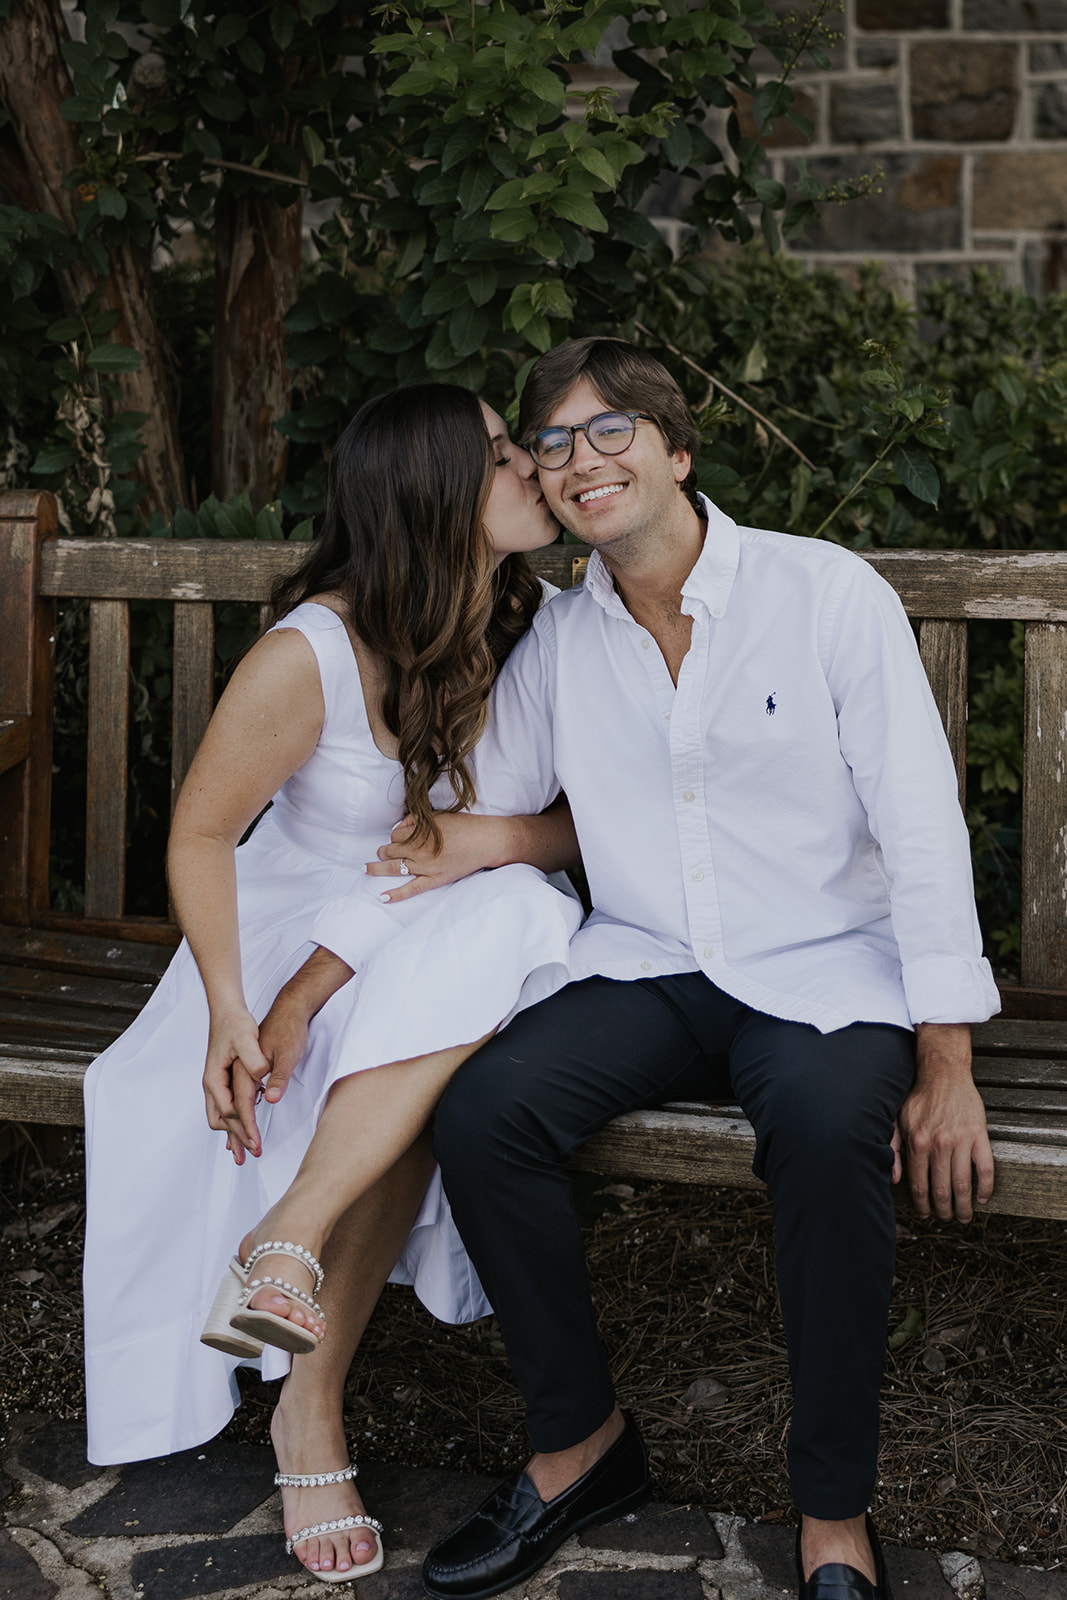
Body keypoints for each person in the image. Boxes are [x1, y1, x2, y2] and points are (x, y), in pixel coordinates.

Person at [350, 338, 1001, 1600]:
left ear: (676, 451)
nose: (581, 459)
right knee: (485, 1112)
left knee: (820, 1131)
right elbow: (495, 797)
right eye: (553, 441)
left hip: (826, 971)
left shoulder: (822, 595)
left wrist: (947, 1056)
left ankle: (828, 1513)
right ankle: (579, 1442)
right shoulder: (558, 642)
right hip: (650, 960)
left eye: (610, 432)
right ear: (537, 481)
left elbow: (920, 826)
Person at [81, 383, 583, 1584]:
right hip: (289, 923)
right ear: (437, 495)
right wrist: (226, 1005)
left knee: (455, 972)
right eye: (507, 455)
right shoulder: (309, 652)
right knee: (411, 1035)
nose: (535, 469)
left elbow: (578, 822)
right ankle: (307, 1409)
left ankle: (289, 1247)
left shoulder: (532, 621)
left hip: (436, 916)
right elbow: (200, 835)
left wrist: (497, 851)